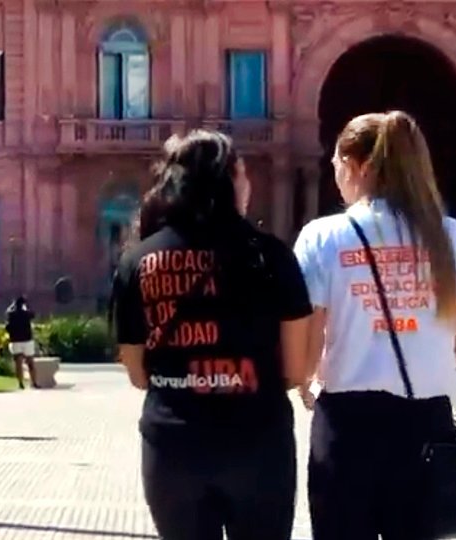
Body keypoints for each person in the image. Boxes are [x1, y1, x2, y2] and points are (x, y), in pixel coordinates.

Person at [293, 111, 456, 539]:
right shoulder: (447, 234)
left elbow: (306, 350)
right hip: (425, 426)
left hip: (347, 426)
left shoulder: (321, 237)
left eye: (336, 166)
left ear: (358, 166)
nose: (335, 177)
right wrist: (428, 350)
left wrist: (305, 384)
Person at [112, 129, 312, 540]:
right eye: (243, 173)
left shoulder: (138, 260)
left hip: (173, 445)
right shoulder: (271, 255)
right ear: (231, 180)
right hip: (258, 443)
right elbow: (295, 369)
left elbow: (136, 373)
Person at [5, 296, 38, 389]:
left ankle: (20, 383)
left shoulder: (11, 314)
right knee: (30, 362)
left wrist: (12, 306)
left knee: (18, 363)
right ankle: (34, 382)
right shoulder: (27, 314)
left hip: (15, 340)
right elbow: (33, 314)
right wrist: (27, 306)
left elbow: (7, 314)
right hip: (27, 340)